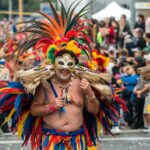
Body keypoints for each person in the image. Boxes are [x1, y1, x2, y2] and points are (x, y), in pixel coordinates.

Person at [0, 1, 127, 150]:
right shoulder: (45, 83)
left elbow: (93, 110)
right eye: (61, 63)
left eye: (69, 64)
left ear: (74, 64)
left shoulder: (81, 82)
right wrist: (51, 106)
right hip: (51, 140)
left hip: (78, 141)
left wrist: (89, 92)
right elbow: (35, 110)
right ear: (54, 64)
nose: (65, 68)